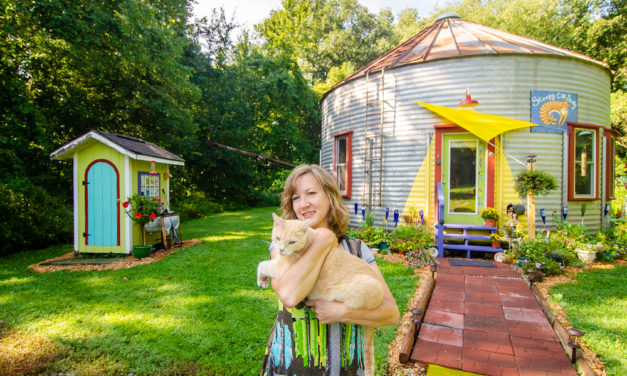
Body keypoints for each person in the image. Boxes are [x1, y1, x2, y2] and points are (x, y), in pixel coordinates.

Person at [261, 164, 400, 375]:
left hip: (348, 368)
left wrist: (343, 312)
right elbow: (289, 295)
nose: (303, 204)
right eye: (296, 198)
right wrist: (323, 240)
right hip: (293, 366)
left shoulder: (356, 249)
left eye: (311, 193)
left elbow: (391, 314)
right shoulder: (283, 247)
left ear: (330, 196)